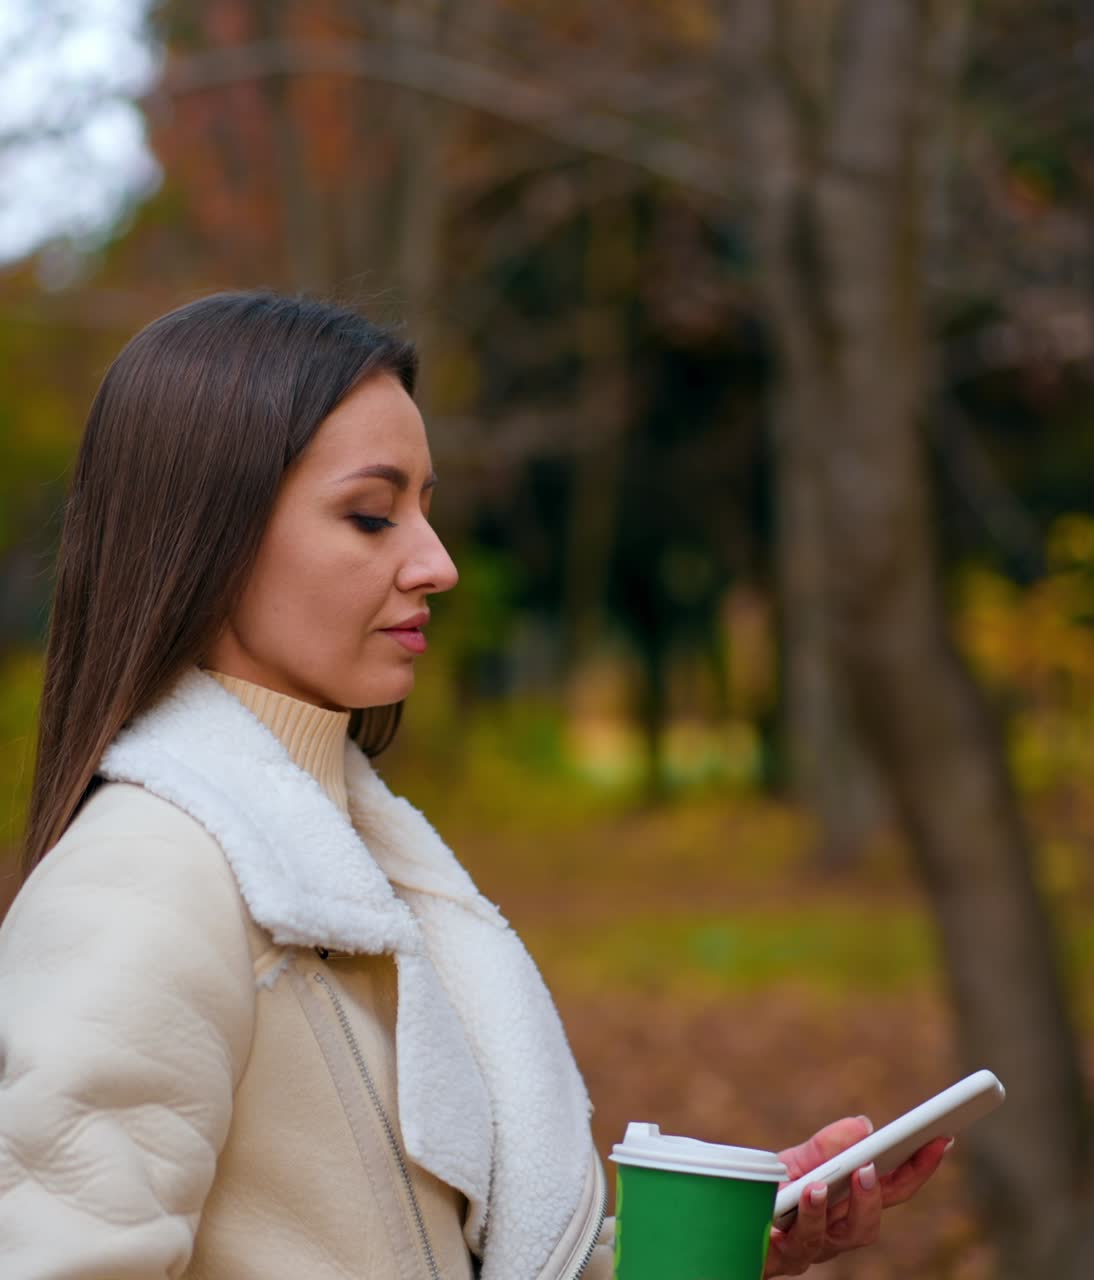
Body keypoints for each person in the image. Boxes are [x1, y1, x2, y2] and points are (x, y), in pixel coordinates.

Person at [0, 291, 948, 1278]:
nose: (437, 562)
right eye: (371, 515)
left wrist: (730, 1244)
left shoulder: (352, 864)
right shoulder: (148, 880)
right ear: (210, 531)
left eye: (425, 507)